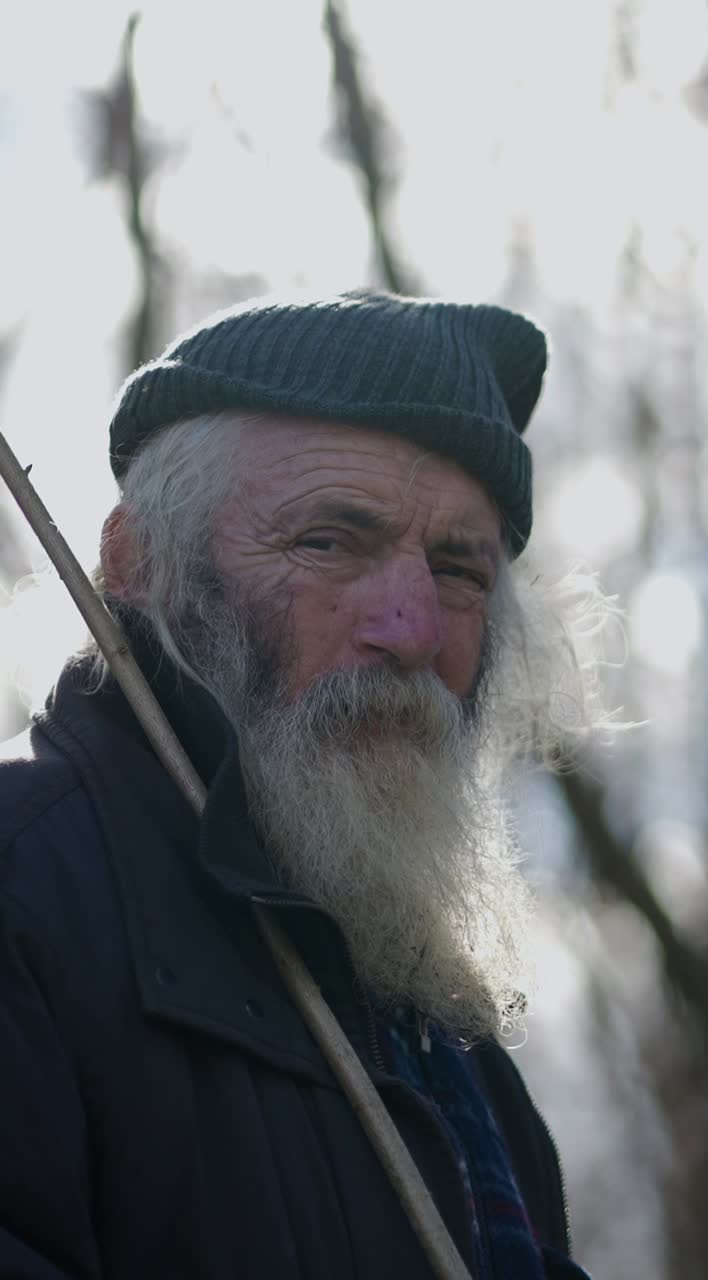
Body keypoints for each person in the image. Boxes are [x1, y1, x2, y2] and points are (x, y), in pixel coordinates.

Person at [0, 290, 600, 1279]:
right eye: (328, 542)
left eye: (458, 569)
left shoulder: (451, 1050)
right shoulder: (24, 895)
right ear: (136, 563)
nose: (410, 631)